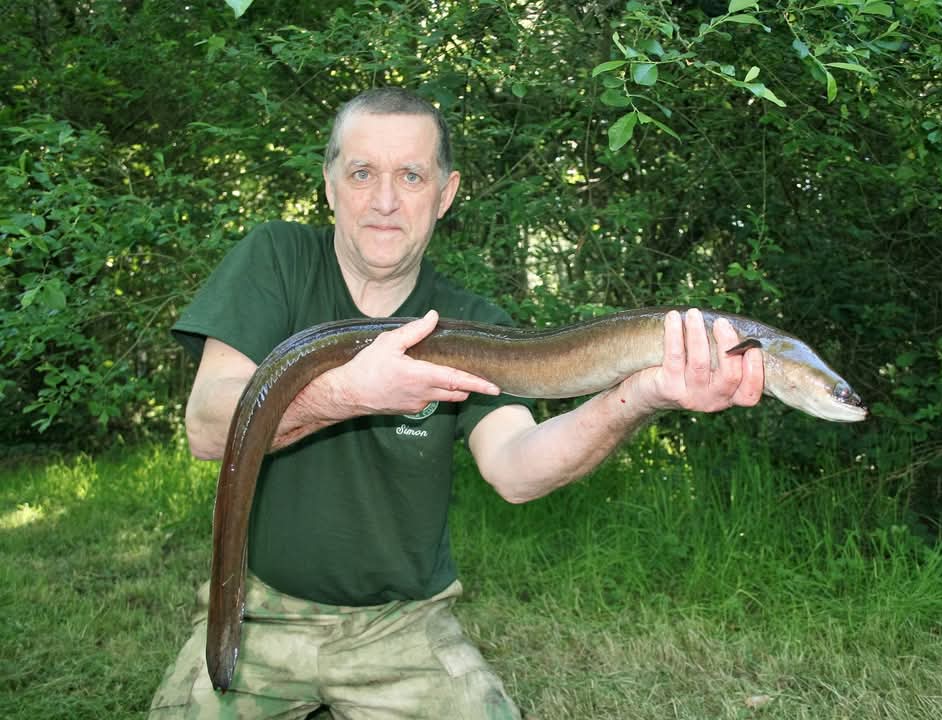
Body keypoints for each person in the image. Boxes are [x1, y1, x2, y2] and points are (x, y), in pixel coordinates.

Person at [150, 87, 763, 720]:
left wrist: (641, 394)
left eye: (411, 176)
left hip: (402, 626)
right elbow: (207, 427)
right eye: (362, 173)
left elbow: (518, 469)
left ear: (445, 193)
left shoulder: (472, 325)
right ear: (330, 184)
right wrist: (349, 393)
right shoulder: (276, 259)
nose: (385, 201)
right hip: (258, 611)